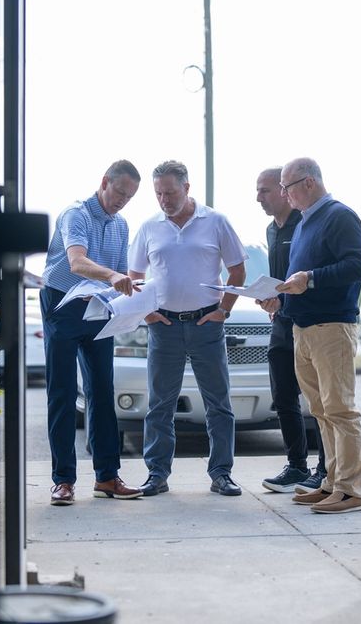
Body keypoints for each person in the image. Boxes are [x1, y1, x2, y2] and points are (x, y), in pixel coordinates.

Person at [127, 160, 247, 497]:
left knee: (218, 403)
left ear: (187, 188)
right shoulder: (150, 227)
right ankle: (157, 474)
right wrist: (147, 313)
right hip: (164, 327)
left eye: (170, 192)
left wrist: (224, 310)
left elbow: (237, 271)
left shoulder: (216, 221)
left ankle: (221, 473)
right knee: (160, 405)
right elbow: (134, 277)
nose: (164, 199)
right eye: (158, 193)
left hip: (206, 325)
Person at [259, 157, 361, 514]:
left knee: (340, 409)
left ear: (308, 183)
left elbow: (358, 266)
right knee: (321, 411)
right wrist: (281, 298)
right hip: (302, 329)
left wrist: (311, 278)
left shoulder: (340, 216)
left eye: (286, 187)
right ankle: (331, 483)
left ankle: (350, 491)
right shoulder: (306, 222)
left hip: (331, 328)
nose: (283, 194)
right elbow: (301, 278)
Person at [41, 160, 144, 506]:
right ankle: (63, 480)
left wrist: (138, 298)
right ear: (104, 183)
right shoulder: (76, 214)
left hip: (99, 306)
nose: (121, 201)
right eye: (119, 192)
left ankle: (107, 477)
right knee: (63, 390)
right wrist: (113, 277)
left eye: (129, 197)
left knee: (103, 389)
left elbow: (120, 273)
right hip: (63, 304)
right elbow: (77, 262)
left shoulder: (122, 224)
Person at [254, 167, 328, 494]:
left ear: (285, 191)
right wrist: (271, 299)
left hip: (311, 322)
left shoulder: (307, 224)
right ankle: (297, 466)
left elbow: (312, 276)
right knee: (284, 397)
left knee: (321, 401)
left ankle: (326, 469)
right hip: (281, 324)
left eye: (266, 190)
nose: (259, 197)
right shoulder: (271, 230)